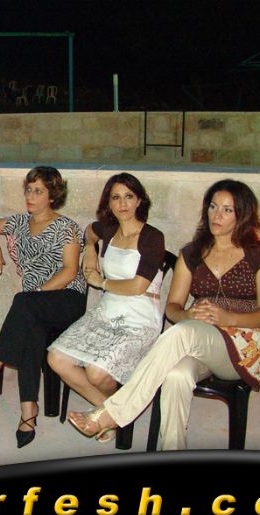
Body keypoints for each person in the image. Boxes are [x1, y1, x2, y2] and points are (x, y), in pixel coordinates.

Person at [68, 179, 260, 450]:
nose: (217, 215)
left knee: (182, 333)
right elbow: (173, 308)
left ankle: (112, 414)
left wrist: (228, 318)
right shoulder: (192, 253)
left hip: (241, 346)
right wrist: (188, 314)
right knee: (176, 376)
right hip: (198, 338)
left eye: (227, 210)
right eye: (213, 207)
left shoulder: (258, 254)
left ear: (242, 214)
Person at [0, 166, 87, 448]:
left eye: (38, 191)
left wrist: (37, 293)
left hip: (67, 298)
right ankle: (29, 412)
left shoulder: (67, 227)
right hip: (33, 306)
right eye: (28, 190)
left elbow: (69, 271)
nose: (30, 196)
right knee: (33, 330)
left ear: (52, 196)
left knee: (23, 302)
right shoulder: (19, 222)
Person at [47, 173, 165, 444]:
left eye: (129, 197)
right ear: (108, 203)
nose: (122, 204)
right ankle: (112, 413)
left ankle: (107, 416)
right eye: (116, 198)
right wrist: (89, 247)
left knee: (97, 372)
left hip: (139, 318)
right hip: (107, 311)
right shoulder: (110, 230)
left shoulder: (152, 237)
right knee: (56, 359)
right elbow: (90, 230)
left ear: (139, 201)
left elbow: (138, 286)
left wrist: (102, 282)